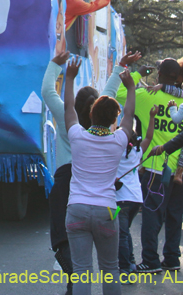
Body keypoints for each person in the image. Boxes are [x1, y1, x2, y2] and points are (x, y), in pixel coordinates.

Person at [41, 50, 140, 294]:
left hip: (74, 202)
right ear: (111, 117)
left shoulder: (74, 132)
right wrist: (126, 79)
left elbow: (51, 94)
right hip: (106, 208)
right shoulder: (117, 140)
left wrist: (63, 72)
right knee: (110, 268)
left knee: (81, 270)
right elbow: (124, 111)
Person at [116, 58, 183, 274]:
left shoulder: (148, 96)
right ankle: (172, 258)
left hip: (156, 167)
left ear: (159, 75)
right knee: (175, 216)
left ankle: (150, 260)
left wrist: (138, 73)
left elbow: (120, 93)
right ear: (178, 77)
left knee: (152, 215)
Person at [116, 107, 157, 275]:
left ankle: (125, 268)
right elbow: (149, 137)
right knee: (125, 231)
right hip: (136, 199)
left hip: (120, 200)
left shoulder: (117, 152)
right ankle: (131, 262)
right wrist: (152, 117)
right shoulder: (138, 151)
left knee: (121, 235)